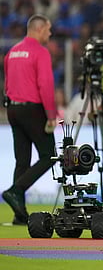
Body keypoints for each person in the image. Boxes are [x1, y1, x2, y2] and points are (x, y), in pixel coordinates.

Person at [2, 14, 57, 225]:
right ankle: (15, 191)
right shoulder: (40, 52)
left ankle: (20, 214)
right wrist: (51, 115)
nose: (50, 34)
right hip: (33, 109)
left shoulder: (13, 52)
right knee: (49, 155)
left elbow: (7, 84)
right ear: (40, 29)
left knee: (21, 161)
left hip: (13, 109)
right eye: (49, 30)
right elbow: (45, 85)